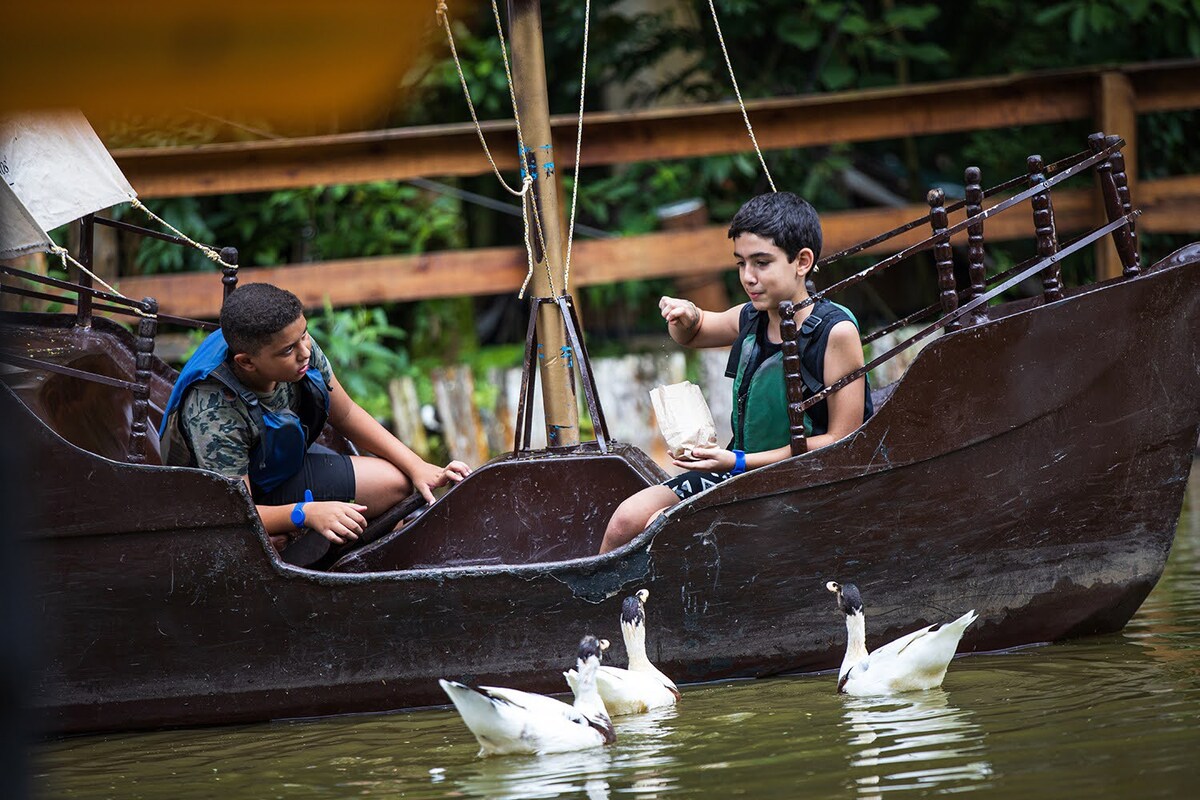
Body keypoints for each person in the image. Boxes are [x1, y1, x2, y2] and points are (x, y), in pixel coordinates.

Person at [600, 192, 873, 554]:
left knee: (660, 528)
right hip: (741, 470)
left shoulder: (834, 332)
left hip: (801, 479)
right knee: (626, 520)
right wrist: (685, 315)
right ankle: (600, 608)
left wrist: (738, 460)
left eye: (761, 263)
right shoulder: (752, 317)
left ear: (802, 261)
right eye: (741, 263)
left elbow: (843, 440)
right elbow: (695, 333)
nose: (748, 277)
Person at [160, 283, 470, 553]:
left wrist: (418, 465)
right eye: (289, 349)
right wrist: (304, 514)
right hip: (224, 502)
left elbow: (345, 412)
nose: (305, 352)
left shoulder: (296, 347)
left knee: (397, 484)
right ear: (247, 362)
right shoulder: (213, 412)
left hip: (278, 466)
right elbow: (233, 513)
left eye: (305, 336)